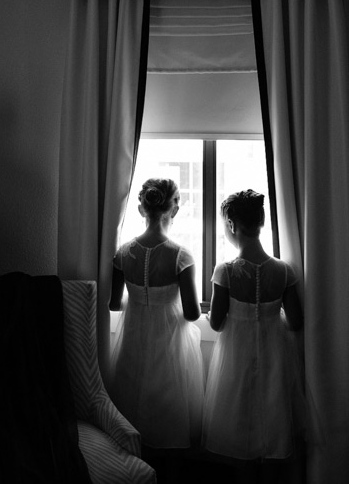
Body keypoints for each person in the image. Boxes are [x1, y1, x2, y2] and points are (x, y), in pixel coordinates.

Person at [202, 189, 304, 484]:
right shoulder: (284, 270)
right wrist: (270, 317)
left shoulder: (227, 271)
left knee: (239, 425)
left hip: (236, 357)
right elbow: (296, 322)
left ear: (232, 225)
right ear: (261, 222)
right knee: (274, 419)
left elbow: (218, 324)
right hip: (276, 355)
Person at [107, 178, 204, 484]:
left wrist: (140, 296)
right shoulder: (180, 255)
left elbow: (114, 305)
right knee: (170, 418)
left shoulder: (123, 253)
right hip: (170, 345)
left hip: (133, 341)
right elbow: (192, 313)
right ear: (172, 208)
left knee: (132, 413)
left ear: (142, 208)